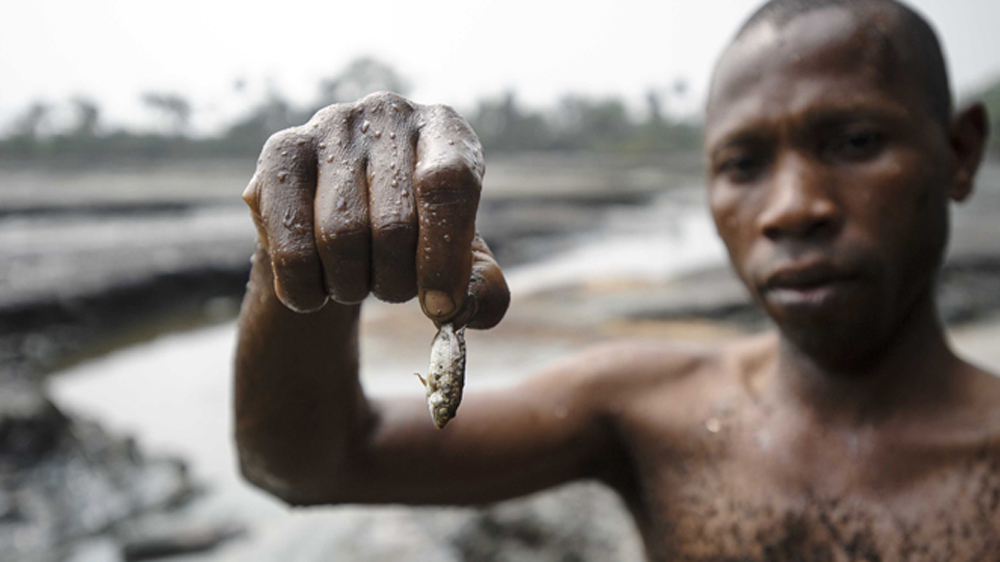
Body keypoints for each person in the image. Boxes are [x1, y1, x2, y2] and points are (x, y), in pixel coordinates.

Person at [234, 0, 998, 558]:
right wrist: (295, 257)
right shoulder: (644, 409)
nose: (793, 208)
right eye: (743, 164)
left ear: (959, 152)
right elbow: (309, 462)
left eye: (857, 141)